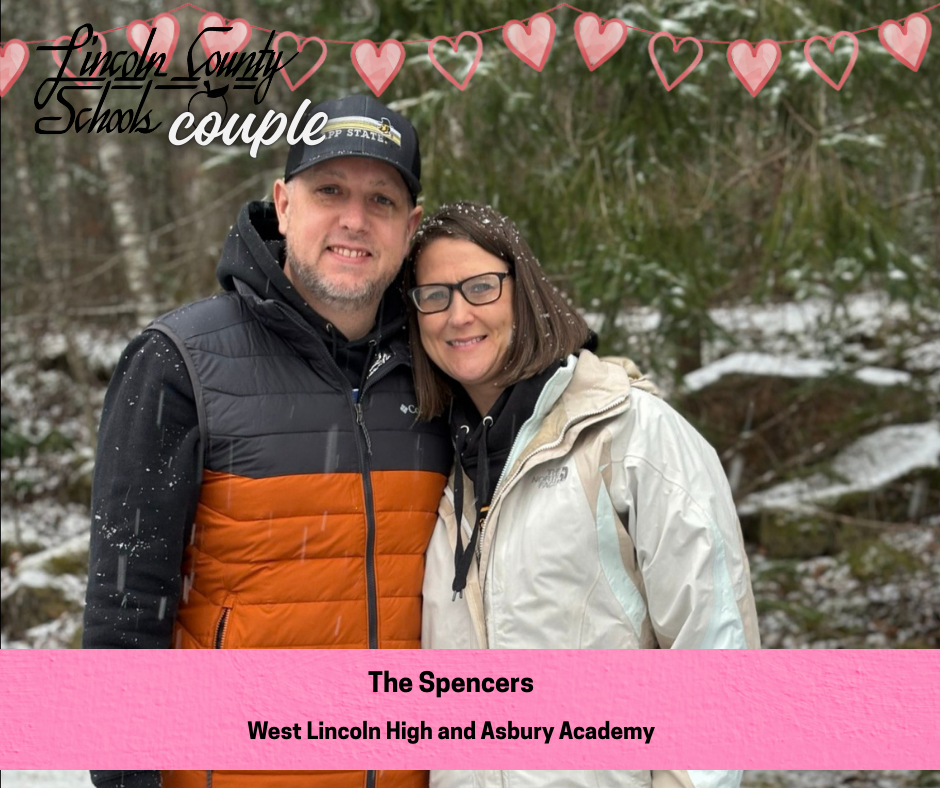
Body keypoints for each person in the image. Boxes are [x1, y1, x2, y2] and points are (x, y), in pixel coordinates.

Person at [83, 96, 452, 788]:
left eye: (381, 198)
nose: (354, 219)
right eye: (330, 190)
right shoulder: (177, 361)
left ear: (410, 227)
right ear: (283, 203)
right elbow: (124, 613)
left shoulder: (443, 367)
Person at [406, 202, 760, 788]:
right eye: (434, 295)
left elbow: (715, 646)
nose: (457, 314)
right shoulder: (442, 468)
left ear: (526, 291)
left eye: (480, 287)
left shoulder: (631, 435)